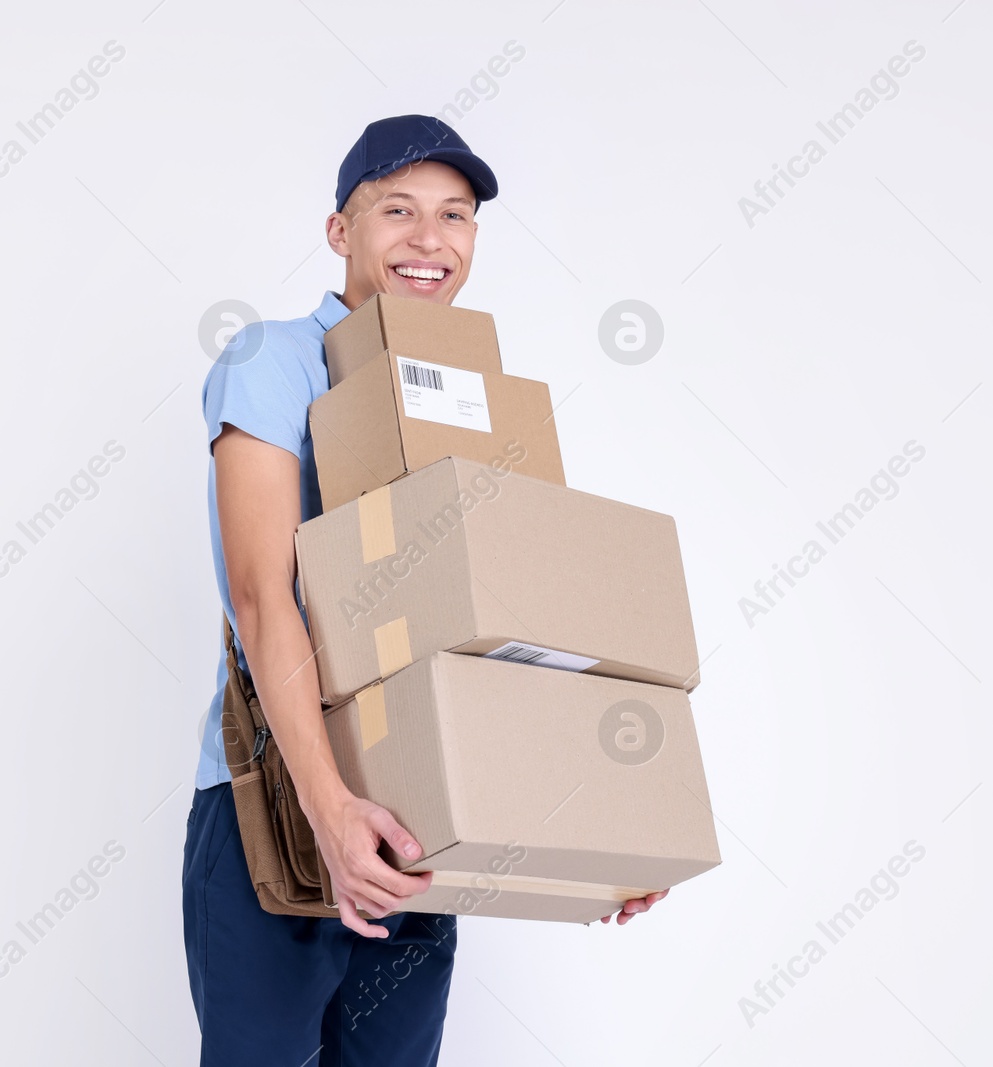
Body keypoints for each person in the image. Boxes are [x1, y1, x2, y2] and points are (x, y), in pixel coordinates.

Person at [181, 114, 667, 1066]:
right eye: (397, 210)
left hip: (420, 818)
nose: (429, 240)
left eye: (455, 215)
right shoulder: (272, 359)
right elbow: (261, 596)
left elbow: (509, 639)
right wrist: (330, 813)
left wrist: (603, 841)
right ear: (340, 231)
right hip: (280, 806)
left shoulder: (466, 388)